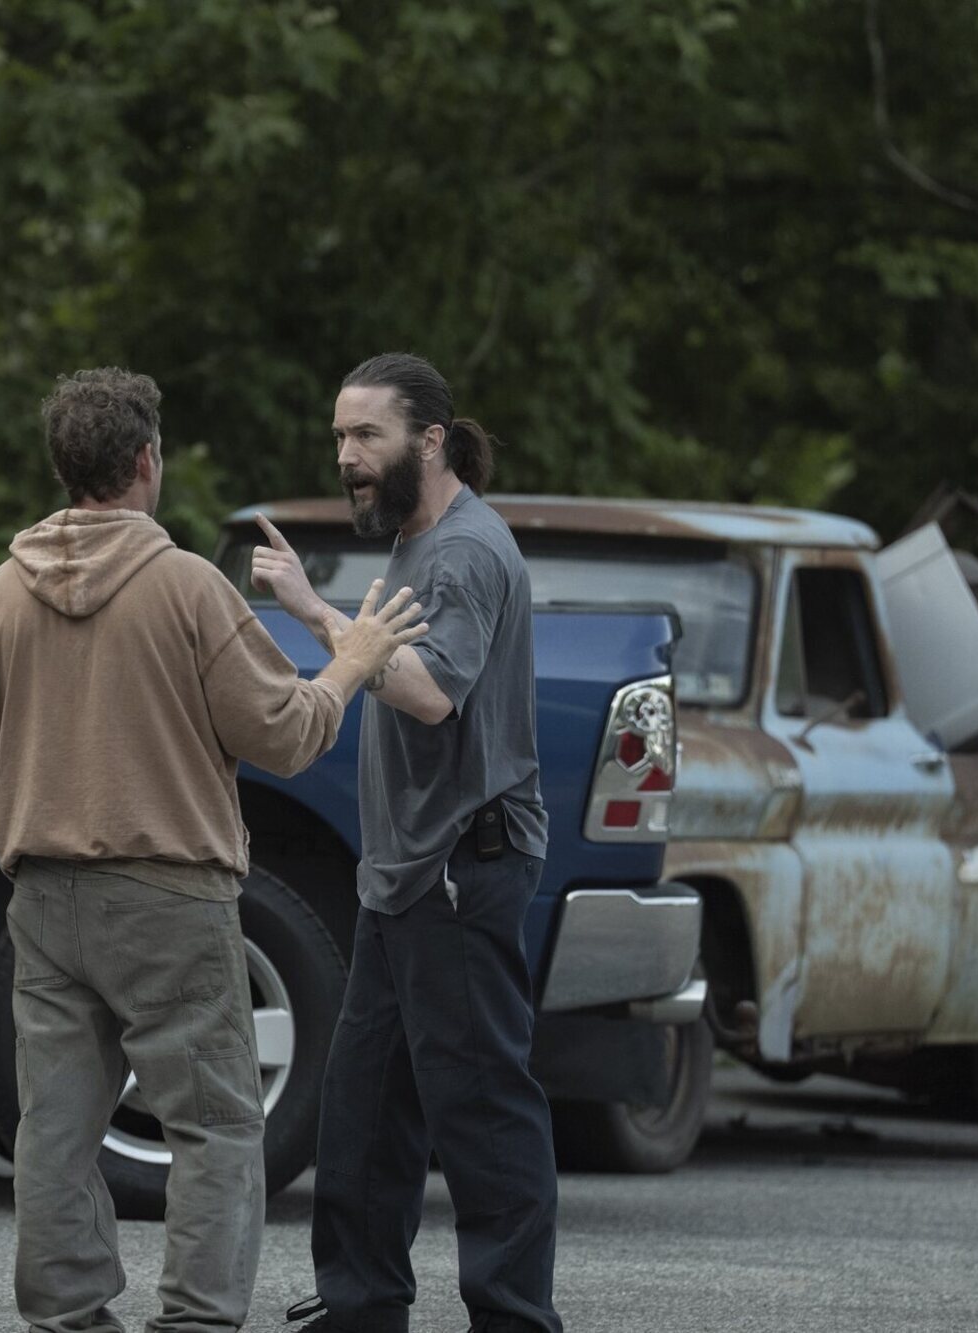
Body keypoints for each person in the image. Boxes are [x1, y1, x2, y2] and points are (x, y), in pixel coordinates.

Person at [0, 367, 427, 1333]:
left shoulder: (1, 592)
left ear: (64, 466)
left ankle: (70, 1315)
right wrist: (355, 660)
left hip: (42, 897)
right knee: (215, 1123)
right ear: (147, 460)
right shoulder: (188, 587)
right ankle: (195, 1320)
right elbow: (286, 733)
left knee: (57, 1129)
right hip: (170, 893)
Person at [252, 354, 561, 1333]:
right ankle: (361, 1304)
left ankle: (512, 1316)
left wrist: (310, 613)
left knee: (479, 1106)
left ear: (428, 438)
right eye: (339, 436)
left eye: (365, 436)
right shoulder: (416, 539)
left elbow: (429, 693)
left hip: (461, 871)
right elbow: (396, 665)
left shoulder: (463, 552)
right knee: (363, 1106)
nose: (346, 456)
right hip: (404, 877)